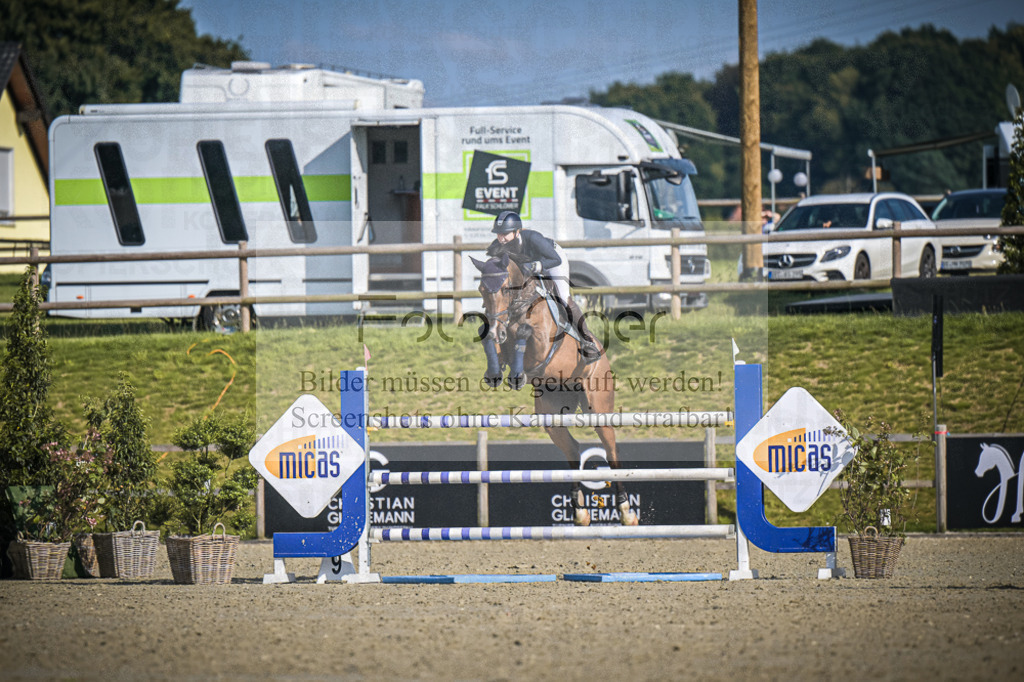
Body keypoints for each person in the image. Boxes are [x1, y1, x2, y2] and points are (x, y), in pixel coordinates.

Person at [485, 211, 600, 362]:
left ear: (517, 231)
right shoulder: (498, 246)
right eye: (498, 234)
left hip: (550, 260)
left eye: (505, 234)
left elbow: (555, 259)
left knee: (564, 298)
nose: (501, 238)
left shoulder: (533, 238)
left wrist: (536, 265)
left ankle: (587, 342)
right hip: (528, 268)